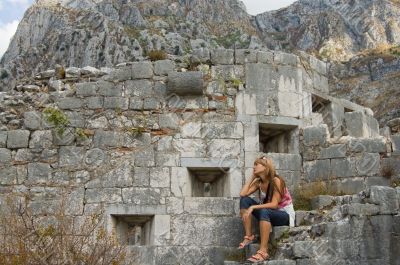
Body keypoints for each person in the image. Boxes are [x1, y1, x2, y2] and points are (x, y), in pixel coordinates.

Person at [238, 156, 295, 263]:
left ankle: (263, 251)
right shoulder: (259, 182)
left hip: (284, 215)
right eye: (254, 164)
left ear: (265, 167)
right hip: (270, 213)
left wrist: (253, 207)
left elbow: (274, 205)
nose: (254, 166)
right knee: (244, 200)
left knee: (264, 210)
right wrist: (252, 177)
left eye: (257, 164)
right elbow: (242, 194)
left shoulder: (276, 180)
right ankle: (249, 236)